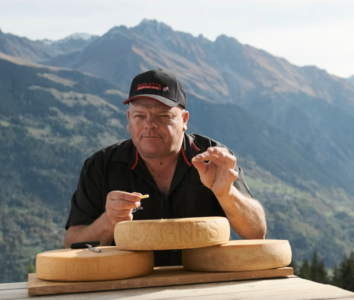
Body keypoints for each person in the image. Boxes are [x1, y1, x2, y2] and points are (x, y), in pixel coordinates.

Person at [64, 69, 266, 266]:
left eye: (163, 116)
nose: (149, 124)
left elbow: (256, 232)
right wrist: (108, 221)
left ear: (184, 120)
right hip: (129, 287)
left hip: (204, 284)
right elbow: (72, 246)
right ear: (129, 119)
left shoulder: (214, 157)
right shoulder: (101, 166)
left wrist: (227, 194)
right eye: (140, 116)